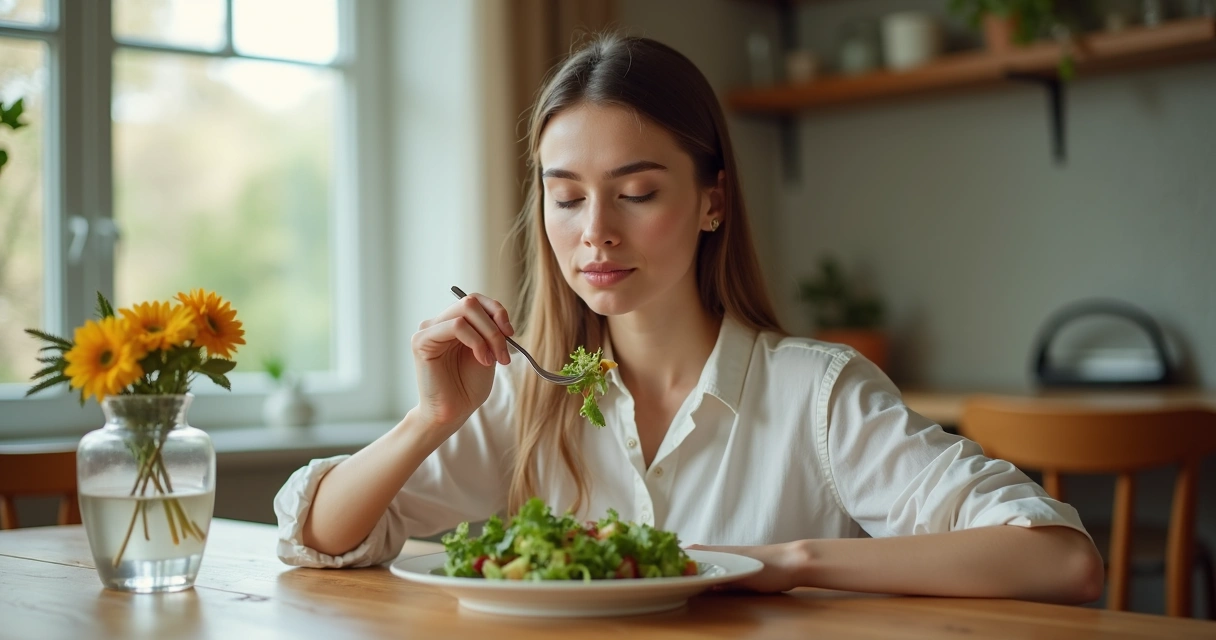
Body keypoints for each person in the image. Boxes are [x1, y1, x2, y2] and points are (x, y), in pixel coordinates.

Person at [275, 33, 1103, 602]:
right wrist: (431, 418)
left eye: (636, 193)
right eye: (566, 197)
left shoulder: (815, 393)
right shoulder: (528, 398)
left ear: (711, 202)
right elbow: (322, 535)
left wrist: (784, 562)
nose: (594, 230)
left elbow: (1059, 559)